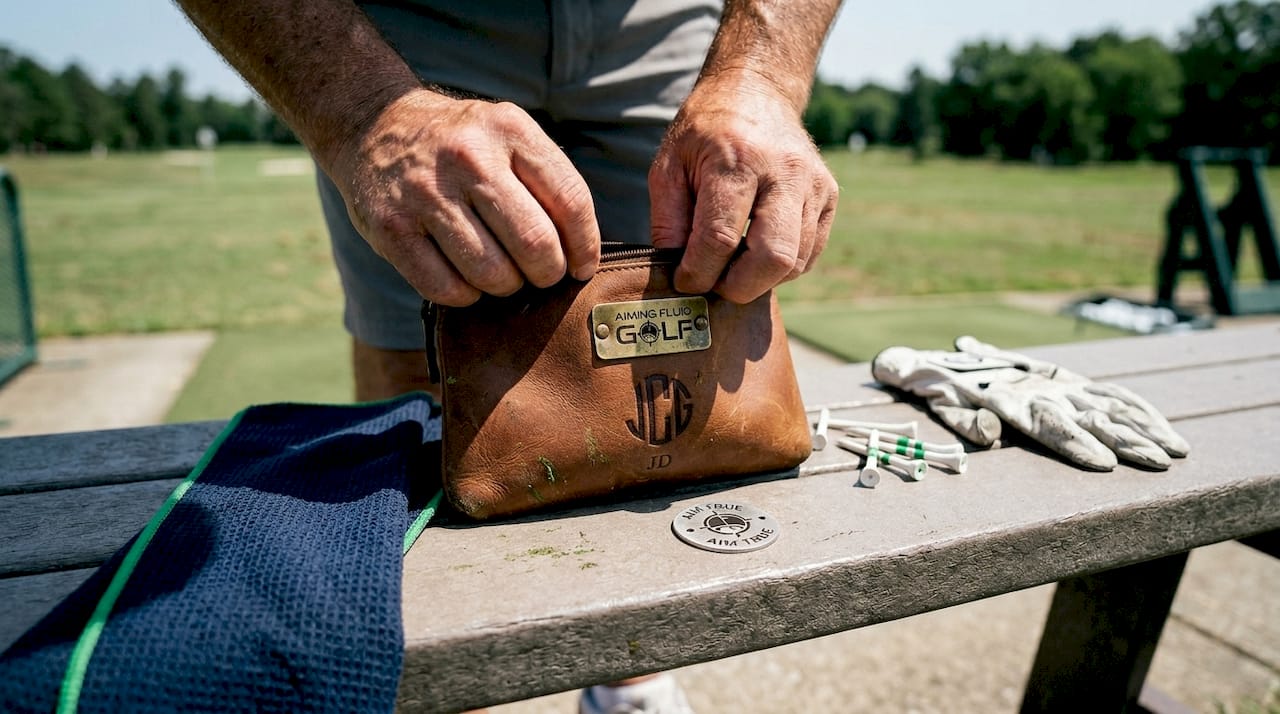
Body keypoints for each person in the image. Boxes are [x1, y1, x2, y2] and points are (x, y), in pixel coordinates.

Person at [176, 1, 841, 711]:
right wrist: (365, 109)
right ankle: (443, 685)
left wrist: (762, 72)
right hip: (398, 30)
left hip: (677, 21)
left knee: (702, 304)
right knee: (422, 402)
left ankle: (629, 676)